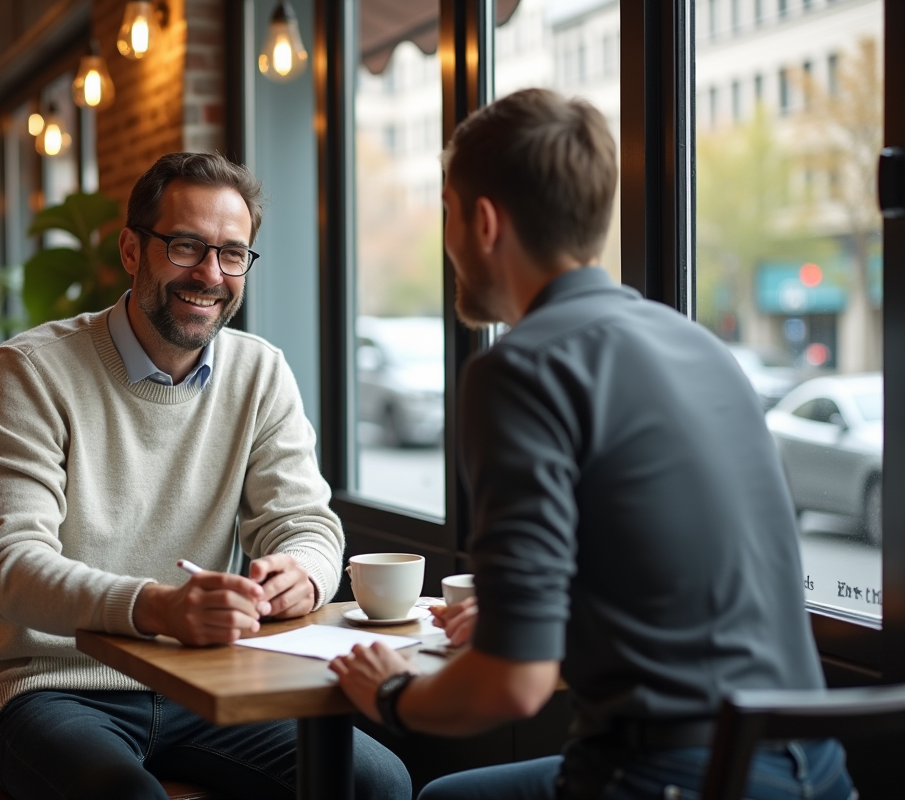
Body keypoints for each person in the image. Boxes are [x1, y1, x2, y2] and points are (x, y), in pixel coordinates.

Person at [329, 89, 855, 800]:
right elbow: (686, 590)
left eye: (447, 215)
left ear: (484, 222)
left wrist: (392, 693)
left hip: (670, 777)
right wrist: (554, 621)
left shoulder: (518, 369)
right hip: (817, 771)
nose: (446, 240)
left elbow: (513, 685)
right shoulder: (700, 345)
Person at [0, 152, 411, 800]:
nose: (210, 273)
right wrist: (157, 607)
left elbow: (305, 521)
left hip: (208, 680)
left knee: (376, 783)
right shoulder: (30, 371)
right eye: (186, 246)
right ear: (131, 249)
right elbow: (11, 567)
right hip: (51, 684)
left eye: (233, 253)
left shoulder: (260, 372)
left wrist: (304, 574)